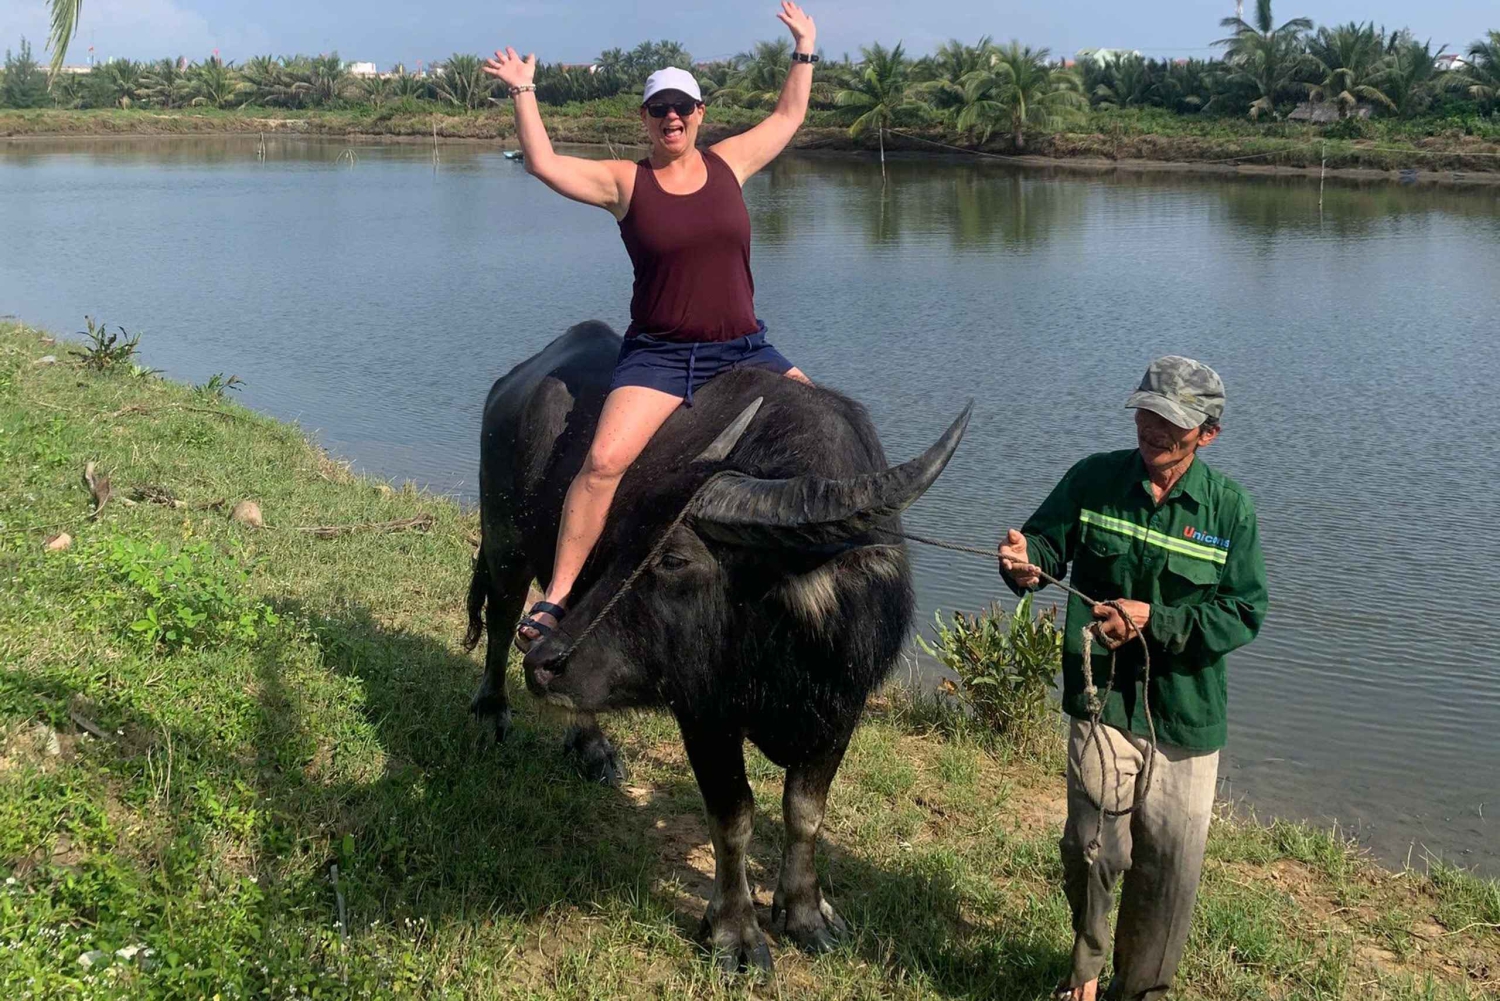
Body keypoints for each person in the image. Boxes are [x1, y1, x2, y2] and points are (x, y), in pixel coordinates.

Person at [484, 3, 821, 653]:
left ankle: (822, 572)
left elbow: (788, 116)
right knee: (604, 461)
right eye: (659, 108)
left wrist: (804, 46)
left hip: (743, 347)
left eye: (683, 108)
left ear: (700, 115)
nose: (672, 117)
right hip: (662, 355)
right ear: (644, 118)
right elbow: (547, 163)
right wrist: (525, 91)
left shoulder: (730, 164)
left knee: (823, 423)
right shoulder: (625, 183)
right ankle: (557, 594)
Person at [997, 357, 1269, 1001]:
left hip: (1186, 715)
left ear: (1207, 434)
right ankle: (1086, 972)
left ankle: (1141, 990)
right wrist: (1023, 561)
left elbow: (1243, 612)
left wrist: (1157, 622)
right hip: (1103, 702)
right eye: (1145, 413)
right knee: (1093, 849)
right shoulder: (1093, 479)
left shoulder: (1230, 511)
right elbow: (1040, 545)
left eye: (1169, 422)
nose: (1150, 429)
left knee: (1169, 871)